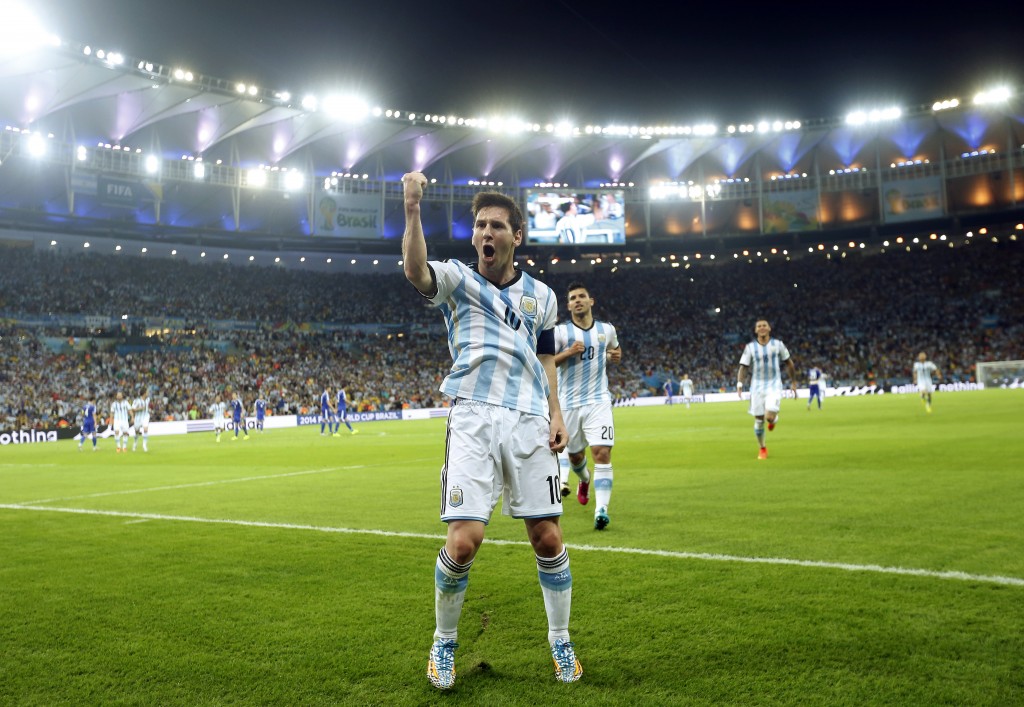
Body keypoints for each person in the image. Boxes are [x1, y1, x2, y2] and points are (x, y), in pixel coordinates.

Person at [402, 171, 580, 690]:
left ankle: (560, 640)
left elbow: (547, 356)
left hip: (528, 419)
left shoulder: (543, 298)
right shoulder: (458, 280)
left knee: (547, 537)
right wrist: (413, 208)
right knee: (463, 542)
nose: (485, 232)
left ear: (515, 236)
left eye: (496, 226)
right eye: (480, 224)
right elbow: (416, 270)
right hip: (474, 416)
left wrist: (557, 413)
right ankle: (444, 641)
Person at [553, 281, 622, 531]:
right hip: (568, 404)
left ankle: (601, 510)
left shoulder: (607, 329)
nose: (578, 300)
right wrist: (569, 353)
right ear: (569, 305)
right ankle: (584, 480)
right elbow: (547, 363)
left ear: (591, 301)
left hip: (598, 401)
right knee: (575, 457)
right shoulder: (561, 333)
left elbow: (615, 350)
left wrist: (616, 356)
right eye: (573, 298)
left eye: (582, 296)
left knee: (602, 453)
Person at [736, 319, 797, 460]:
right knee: (759, 420)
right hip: (756, 386)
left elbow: (789, 363)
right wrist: (740, 384)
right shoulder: (750, 347)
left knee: (768, 416)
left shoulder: (778, 345)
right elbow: (743, 367)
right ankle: (762, 448)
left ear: (769, 328)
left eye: (764, 325)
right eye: (759, 326)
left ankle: (773, 420)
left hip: (774, 385)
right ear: (755, 330)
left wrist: (793, 382)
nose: (762, 328)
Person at [130, 387, 151, 452]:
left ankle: (144, 445)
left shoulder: (148, 399)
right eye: (147, 392)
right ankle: (135, 443)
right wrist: (140, 408)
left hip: (145, 416)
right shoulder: (137, 401)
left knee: (145, 429)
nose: (148, 393)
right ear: (144, 393)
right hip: (138, 417)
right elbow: (132, 409)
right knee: (137, 431)